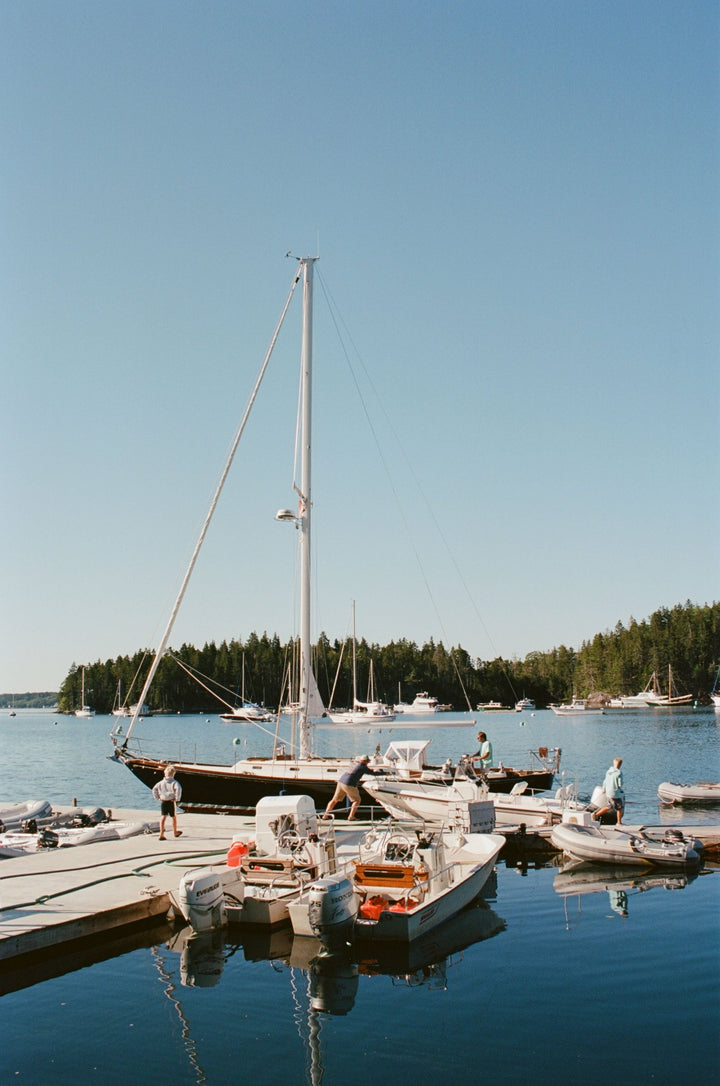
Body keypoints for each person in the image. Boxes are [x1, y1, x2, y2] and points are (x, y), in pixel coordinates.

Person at [323, 755, 382, 821]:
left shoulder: (355, 764)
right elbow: (374, 774)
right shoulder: (363, 767)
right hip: (349, 784)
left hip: (341, 782)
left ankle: (325, 815)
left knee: (334, 800)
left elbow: (359, 770)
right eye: (367, 762)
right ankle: (351, 816)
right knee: (357, 800)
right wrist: (386, 773)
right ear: (365, 761)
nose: (368, 763)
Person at [152, 765, 183, 840]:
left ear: (164, 774)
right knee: (173, 817)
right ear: (173, 774)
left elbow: (154, 789)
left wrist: (157, 797)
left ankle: (161, 834)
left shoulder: (160, 783)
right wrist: (177, 798)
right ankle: (175, 832)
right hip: (171, 801)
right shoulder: (174, 782)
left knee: (163, 817)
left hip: (164, 801)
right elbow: (178, 790)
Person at [593, 757, 625, 824]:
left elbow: (605, 781)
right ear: (620, 765)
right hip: (615, 794)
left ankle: (596, 815)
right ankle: (619, 822)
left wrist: (604, 789)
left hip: (608, 793)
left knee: (609, 806)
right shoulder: (619, 773)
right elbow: (620, 784)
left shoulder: (608, 772)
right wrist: (620, 788)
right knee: (620, 808)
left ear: (613, 764)